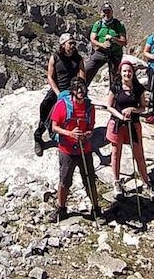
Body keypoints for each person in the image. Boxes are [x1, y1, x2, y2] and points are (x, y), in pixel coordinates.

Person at [50, 77, 100, 221]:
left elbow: (91, 128)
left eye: (82, 89)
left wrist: (88, 134)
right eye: (78, 90)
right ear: (72, 91)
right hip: (67, 150)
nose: (81, 93)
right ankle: (61, 208)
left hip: (84, 148)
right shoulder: (62, 105)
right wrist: (70, 133)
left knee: (89, 180)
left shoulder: (89, 107)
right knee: (64, 181)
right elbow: (54, 127)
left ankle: (96, 209)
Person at [105, 57, 152, 195]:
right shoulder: (115, 87)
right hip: (118, 124)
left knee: (139, 154)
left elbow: (143, 107)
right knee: (115, 153)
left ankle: (145, 182)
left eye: (129, 71)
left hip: (133, 124)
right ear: (120, 72)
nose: (127, 74)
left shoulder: (138, 89)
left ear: (133, 73)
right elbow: (109, 106)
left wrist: (132, 110)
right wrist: (121, 116)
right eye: (125, 71)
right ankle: (116, 182)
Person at [34, 33, 85, 156]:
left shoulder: (78, 59)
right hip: (58, 90)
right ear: (63, 45)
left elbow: (82, 76)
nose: (73, 46)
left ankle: (73, 138)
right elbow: (50, 77)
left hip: (72, 91)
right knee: (46, 110)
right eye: (70, 43)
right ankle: (38, 137)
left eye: (73, 43)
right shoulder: (55, 57)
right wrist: (58, 93)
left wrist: (77, 91)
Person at [85, 3, 128, 81]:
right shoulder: (98, 24)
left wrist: (113, 39)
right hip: (101, 52)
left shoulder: (118, 24)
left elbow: (124, 42)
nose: (106, 14)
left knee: (115, 77)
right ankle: (82, 88)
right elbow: (92, 39)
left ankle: (114, 91)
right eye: (104, 12)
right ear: (101, 13)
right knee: (88, 69)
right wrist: (102, 45)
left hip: (115, 53)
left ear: (112, 12)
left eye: (108, 12)